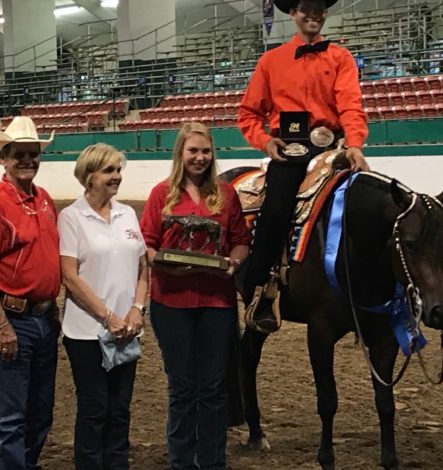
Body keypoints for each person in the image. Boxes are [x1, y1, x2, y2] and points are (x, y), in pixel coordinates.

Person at [237, 0, 370, 333]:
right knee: (276, 208)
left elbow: (351, 105)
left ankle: (374, 285)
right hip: (290, 148)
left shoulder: (341, 57)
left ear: (324, 14)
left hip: (334, 146)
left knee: (369, 203)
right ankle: (262, 290)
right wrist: (266, 142)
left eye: (319, 7)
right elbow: (249, 113)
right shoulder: (271, 61)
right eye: (305, 7)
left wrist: (354, 144)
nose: (313, 13)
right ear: (293, 14)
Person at [140, 122, 251, 470]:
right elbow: (147, 243)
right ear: (181, 153)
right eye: (193, 151)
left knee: (214, 389)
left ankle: (213, 461)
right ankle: (182, 462)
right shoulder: (161, 194)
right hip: (170, 303)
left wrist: (233, 262)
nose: (200, 158)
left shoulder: (227, 195)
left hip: (216, 304)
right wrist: (162, 263)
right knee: (183, 388)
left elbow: (240, 241)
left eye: (205, 151)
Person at [0, 116, 61, 469]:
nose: (27, 161)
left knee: (39, 412)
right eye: (19, 154)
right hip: (12, 319)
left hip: (42, 318)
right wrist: (0, 324)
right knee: (9, 418)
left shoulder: (44, 200)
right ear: (4, 158)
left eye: (32, 154)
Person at [58, 143, 149, 469]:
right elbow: (69, 276)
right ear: (89, 175)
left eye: (118, 170)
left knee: (120, 408)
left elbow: (142, 268)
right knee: (95, 407)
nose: (116, 177)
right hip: (86, 333)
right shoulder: (71, 217)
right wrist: (107, 317)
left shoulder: (128, 214)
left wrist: (137, 309)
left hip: (127, 330)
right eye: (109, 171)